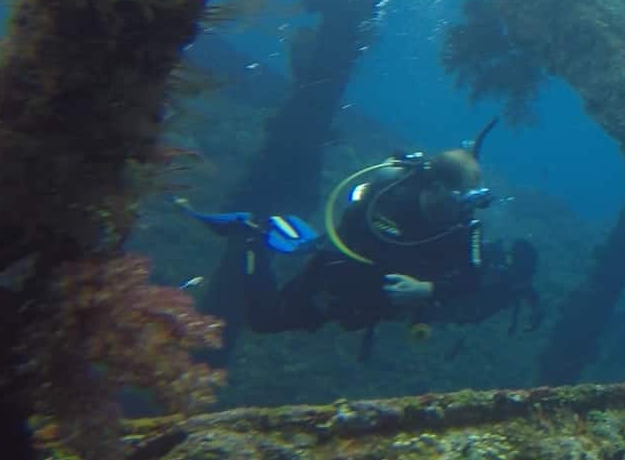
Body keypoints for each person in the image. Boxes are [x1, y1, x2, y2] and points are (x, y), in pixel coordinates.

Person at [180, 120, 539, 339]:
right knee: (264, 319)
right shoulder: (393, 190)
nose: (454, 210)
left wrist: (427, 289)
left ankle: (281, 239)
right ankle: (254, 240)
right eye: (451, 199)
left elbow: (471, 278)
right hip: (339, 276)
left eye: (464, 203)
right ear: (433, 185)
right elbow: (349, 227)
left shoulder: (462, 225)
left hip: (374, 300)